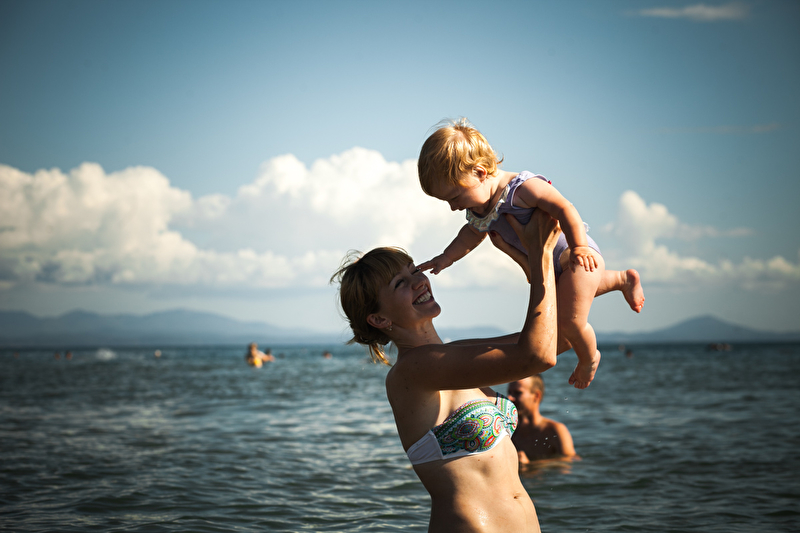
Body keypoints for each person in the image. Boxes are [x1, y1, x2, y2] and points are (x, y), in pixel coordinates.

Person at [332, 209, 560, 532]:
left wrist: (533, 263)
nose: (419, 281)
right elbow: (537, 357)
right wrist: (540, 258)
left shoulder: (453, 356)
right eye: (401, 283)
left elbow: (558, 338)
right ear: (380, 319)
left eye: (414, 270)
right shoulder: (412, 372)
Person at [417, 118, 645, 389]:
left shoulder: (521, 188)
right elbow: (470, 235)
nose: (453, 207)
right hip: (553, 269)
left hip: (577, 259)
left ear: (479, 173)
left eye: (455, 197)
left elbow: (565, 208)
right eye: (447, 201)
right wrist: (446, 258)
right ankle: (622, 279)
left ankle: (589, 358)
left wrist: (580, 246)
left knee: (570, 323)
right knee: (565, 304)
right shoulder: (480, 209)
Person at [507, 375, 576, 464]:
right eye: (509, 392)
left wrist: (531, 464)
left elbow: (571, 461)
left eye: (517, 393)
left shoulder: (555, 430)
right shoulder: (509, 432)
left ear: (536, 396)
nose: (509, 398)